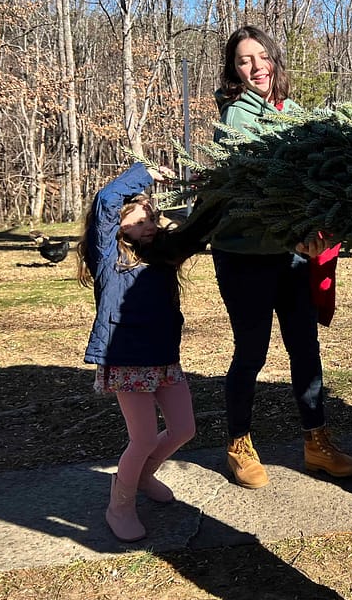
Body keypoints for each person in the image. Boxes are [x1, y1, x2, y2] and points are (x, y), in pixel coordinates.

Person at [212, 25, 352, 489]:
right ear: (234, 70)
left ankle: (317, 443)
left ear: (274, 59)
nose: (256, 67)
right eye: (244, 60)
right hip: (244, 258)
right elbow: (250, 197)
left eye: (261, 57)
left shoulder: (294, 114)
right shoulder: (236, 118)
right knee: (251, 352)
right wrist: (290, 237)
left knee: (305, 347)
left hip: (291, 259)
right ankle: (238, 443)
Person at [79, 163, 201, 542]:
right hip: (127, 360)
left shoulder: (160, 256)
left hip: (164, 358)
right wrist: (146, 174)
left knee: (184, 429)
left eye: (152, 219)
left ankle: (143, 476)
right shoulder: (107, 259)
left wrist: (208, 193)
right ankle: (120, 505)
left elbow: (196, 233)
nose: (150, 225)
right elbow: (105, 200)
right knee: (144, 439)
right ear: (119, 226)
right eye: (139, 220)